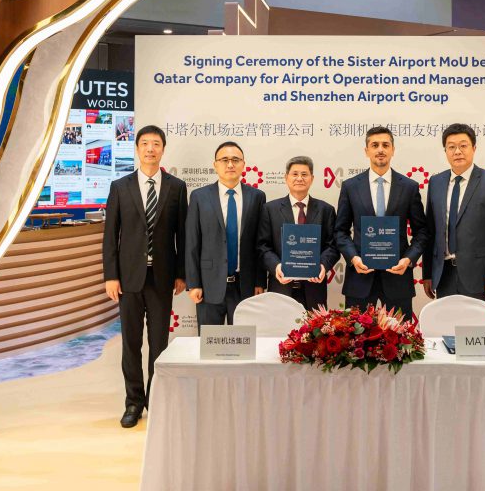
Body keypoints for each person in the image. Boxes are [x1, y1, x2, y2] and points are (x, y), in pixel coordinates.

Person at [102, 124, 187, 428]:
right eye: (145, 143)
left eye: (156, 144)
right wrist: (111, 276)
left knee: (159, 343)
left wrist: (181, 273)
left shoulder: (176, 187)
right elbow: (110, 236)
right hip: (128, 279)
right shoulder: (120, 187)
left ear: (163, 149)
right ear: (137, 149)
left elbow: (182, 235)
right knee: (131, 343)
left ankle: (156, 399)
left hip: (162, 278)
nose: (151, 149)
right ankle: (133, 402)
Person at [334, 126, 427, 319]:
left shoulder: (409, 187)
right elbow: (340, 231)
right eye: (375, 145)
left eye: (385, 145)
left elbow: (422, 232)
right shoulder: (350, 186)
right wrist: (353, 258)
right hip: (359, 278)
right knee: (355, 337)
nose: (380, 150)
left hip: (398, 278)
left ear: (393, 150)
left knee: (401, 336)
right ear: (366, 150)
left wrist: (408, 260)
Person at [421, 123, 485, 303]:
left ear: (474, 148)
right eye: (451, 147)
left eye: (463, 145)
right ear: (445, 151)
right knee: (446, 321)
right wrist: (428, 273)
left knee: (477, 322)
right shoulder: (436, 182)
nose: (457, 151)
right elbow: (431, 232)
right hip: (443, 275)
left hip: (479, 277)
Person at [185, 141, 267, 326]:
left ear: (243, 164)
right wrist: (194, 283)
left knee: (243, 341)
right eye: (224, 160)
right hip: (208, 284)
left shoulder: (257, 197)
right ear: (215, 165)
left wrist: (260, 281)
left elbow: (260, 243)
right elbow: (192, 242)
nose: (230, 164)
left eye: (235, 160)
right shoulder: (199, 196)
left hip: (245, 285)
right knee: (209, 341)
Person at [257, 156, 338, 310]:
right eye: (295, 174)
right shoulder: (270, 209)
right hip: (281, 287)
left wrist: (322, 265)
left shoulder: (326, 210)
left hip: (314, 289)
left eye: (304, 174)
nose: (299, 178)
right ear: (286, 177)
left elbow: (333, 246)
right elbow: (262, 246)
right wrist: (276, 266)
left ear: (312, 178)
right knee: (280, 326)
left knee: (314, 326)